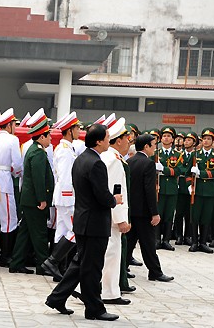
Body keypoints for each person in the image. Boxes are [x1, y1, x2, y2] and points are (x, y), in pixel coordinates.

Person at [46, 124, 122, 321]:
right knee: (92, 267)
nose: (108, 141)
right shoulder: (96, 163)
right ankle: (94, 308)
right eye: (106, 137)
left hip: (82, 220)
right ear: (98, 141)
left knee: (80, 263)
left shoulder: (81, 158)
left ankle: (57, 298)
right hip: (94, 223)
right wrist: (115, 200)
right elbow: (101, 195)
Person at [9, 115, 54, 275]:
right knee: (40, 234)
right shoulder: (38, 153)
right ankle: (43, 265)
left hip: (29, 199)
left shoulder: (34, 150)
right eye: (48, 136)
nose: (50, 140)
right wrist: (42, 199)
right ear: (41, 137)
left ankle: (16, 262)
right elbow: (38, 179)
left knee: (25, 233)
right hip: (35, 201)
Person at [126, 134, 174, 281]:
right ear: (146, 146)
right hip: (143, 211)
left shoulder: (129, 161)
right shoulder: (148, 163)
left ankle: (122, 268)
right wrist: (154, 213)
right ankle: (155, 272)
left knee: (129, 242)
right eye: (153, 145)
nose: (155, 148)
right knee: (148, 244)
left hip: (131, 209)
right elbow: (149, 190)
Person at [41, 111, 80, 280]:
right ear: (69, 130)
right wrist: (70, 196)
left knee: (62, 231)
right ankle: (53, 261)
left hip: (64, 197)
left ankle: (58, 268)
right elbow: (65, 177)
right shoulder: (64, 150)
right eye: (76, 128)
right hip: (67, 197)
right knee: (75, 231)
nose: (79, 130)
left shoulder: (66, 148)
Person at [99, 118, 131, 305]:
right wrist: (121, 220)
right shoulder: (114, 160)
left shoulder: (105, 157)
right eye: (127, 138)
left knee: (102, 255)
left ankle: (101, 289)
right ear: (118, 140)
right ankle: (109, 292)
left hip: (103, 215)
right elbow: (115, 191)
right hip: (110, 217)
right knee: (110, 255)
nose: (128, 142)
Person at [0, 108, 23, 266]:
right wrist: (16, 173)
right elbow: (17, 164)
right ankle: (6, 255)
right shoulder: (12, 140)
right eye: (14, 125)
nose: (15, 128)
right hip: (4, 180)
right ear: (9, 125)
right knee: (10, 219)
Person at [189, 128, 214, 253]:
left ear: (213, 142)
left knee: (206, 217)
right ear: (201, 141)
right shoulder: (195, 154)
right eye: (205, 139)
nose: (207, 141)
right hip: (197, 190)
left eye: (209, 139)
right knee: (195, 216)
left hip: (210, 191)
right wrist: (189, 185)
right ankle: (194, 242)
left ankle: (203, 243)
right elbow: (187, 173)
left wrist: (201, 173)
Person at [154, 126, 184, 251]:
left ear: (172, 139)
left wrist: (164, 170)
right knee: (158, 213)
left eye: (169, 136)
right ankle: (156, 239)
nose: (166, 138)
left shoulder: (178, 155)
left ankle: (166, 240)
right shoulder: (156, 153)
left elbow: (179, 170)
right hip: (159, 188)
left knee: (169, 215)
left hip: (171, 189)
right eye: (164, 136)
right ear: (161, 139)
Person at [174, 131, 198, 246]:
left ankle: (188, 235)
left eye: (189, 140)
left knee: (189, 213)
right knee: (179, 213)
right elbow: (178, 168)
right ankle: (179, 235)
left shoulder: (196, 155)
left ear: (194, 142)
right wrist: (187, 171)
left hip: (191, 186)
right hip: (181, 185)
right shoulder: (180, 155)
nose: (186, 142)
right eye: (185, 140)